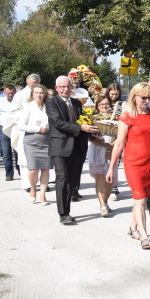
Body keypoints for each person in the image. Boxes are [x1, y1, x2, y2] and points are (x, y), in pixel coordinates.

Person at [107, 82, 150, 248]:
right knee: (140, 198)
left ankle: (132, 228)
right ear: (134, 97)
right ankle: (144, 236)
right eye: (143, 97)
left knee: (142, 197)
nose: (146, 101)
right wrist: (111, 167)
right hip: (133, 162)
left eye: (149, 98)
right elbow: (119, 143)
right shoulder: (127, 115)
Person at [46, 76, 98, 225]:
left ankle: (70, 199)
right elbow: (58, 123)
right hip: (60, 147)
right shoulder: (51, 103)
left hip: (76, 146)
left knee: (72, 179)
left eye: (67, 86)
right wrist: (81, 127)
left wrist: (92, 133)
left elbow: (81, 122)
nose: (65, 89)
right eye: (62, 87)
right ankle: (64, 213)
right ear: (56, 88)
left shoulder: (76, 103)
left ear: (71, 88)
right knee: (62, 178)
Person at [16, 85, 53, 205]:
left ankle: (42, 195)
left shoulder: (48, 107)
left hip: (47, 141)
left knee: (45, 169)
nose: (39, 95)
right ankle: (33, 188)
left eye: (41, 92)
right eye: (36, 93)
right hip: (32, 141)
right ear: (32, 94)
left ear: (45, 94)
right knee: (33, 169)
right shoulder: (28, 107)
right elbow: (21, 125)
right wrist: (37, 129)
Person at [87, 96, 116, 216]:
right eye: (101, 104)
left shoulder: (117, 118)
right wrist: (105, 144)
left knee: (109, 179)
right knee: (99, 177)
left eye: (106, 104)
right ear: (97, 107)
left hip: (112, 150)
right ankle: (102, 205)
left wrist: (112, 146)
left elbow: (121, 135)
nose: (104, 106)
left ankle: (105, 200)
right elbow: (90, 137)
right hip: (97, 150)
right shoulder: (92, 119)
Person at [0, 85, 18, 181]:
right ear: (4, 92)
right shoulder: (0, 102)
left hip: (16, 128)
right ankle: (9, 174)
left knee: (18, 151)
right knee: (6, 153)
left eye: (12, 93)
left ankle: (20, 170)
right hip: (3, 129)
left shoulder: (18, 101)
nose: (10, 95)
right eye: (8, 93)